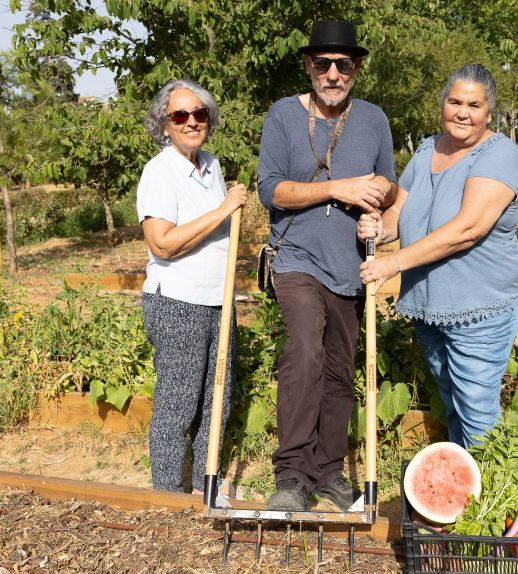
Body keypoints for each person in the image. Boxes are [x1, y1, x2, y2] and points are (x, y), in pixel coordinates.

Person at [257, 20, 397, 511]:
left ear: (356, 68)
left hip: (351, 266)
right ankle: (291, 475)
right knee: (304, 353)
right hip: (296, 259)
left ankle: (328, 470)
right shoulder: (281, 116)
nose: (333, 73)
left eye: (343, 64)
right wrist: (336, 188)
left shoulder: (375, 120)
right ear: (308, 66)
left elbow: (390, 186)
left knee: (339, 369)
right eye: (323, 63)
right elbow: (270, 190)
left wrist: (378, 205)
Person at [358, 64, 518, 448]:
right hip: (431, 304)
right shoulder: (427, 148)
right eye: (455, 101)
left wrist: (392, 263)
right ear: (443, 104)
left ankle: (490, 500)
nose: (463, 112)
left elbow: (468, 229)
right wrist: (379, 230)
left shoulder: (498, 154)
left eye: (474, 105)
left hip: (479, 304)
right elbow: (400, 212)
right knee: (452, 401)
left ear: (489, 112)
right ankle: (462, 492)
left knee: (477, 409)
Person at [137, 79, 248, 493]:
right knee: (179, 403)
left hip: (218, 300)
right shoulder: (160, 171)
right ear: (164, 124)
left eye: (200, 114)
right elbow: (162, 243)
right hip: (179, 303)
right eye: (180, 115)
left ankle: (207, 487)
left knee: (215, 402)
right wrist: (224, 209)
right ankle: (166, 495)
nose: (191, 122)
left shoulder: (212, 165)